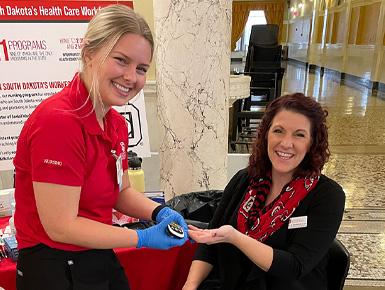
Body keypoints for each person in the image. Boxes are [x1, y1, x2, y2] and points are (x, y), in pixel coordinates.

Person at [13, 5, 188, 290]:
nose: (131, 77)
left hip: (96, 251)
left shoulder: (115, 123)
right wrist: (141, 238)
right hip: (54, 264)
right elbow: (61, 226)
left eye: (141, 69)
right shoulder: (58, 122)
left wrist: (159, 213)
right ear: (88, 53)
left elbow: (121, 192)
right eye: (121, 60)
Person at [183, 93, 346, 290]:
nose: (286, 143)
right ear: (266, 134)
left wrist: (235, 238)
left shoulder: (327, 196)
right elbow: (209, 245)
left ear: (312, 142)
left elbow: (294, 267)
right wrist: (189, 286)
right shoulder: (246, 179)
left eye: (299, 134)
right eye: (279, 131)